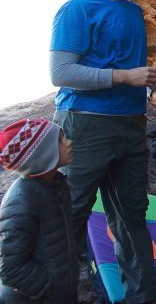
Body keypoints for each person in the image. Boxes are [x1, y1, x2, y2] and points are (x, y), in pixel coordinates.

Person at [49, 0, 156, 304]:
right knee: (70, 216)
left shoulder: (133, 12)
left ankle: (144, 298)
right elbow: (61, 72)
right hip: (85, 124)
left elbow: (133, 65)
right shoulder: (76, 10)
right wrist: (124, 78)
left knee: (131, 215)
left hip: (130, 125)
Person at [0, 118, 77, 303]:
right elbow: (10, 269)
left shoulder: (56, 183)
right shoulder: (20, 204)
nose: (69, 142)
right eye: (60, 140)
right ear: (43, 155)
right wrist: (50, 286)